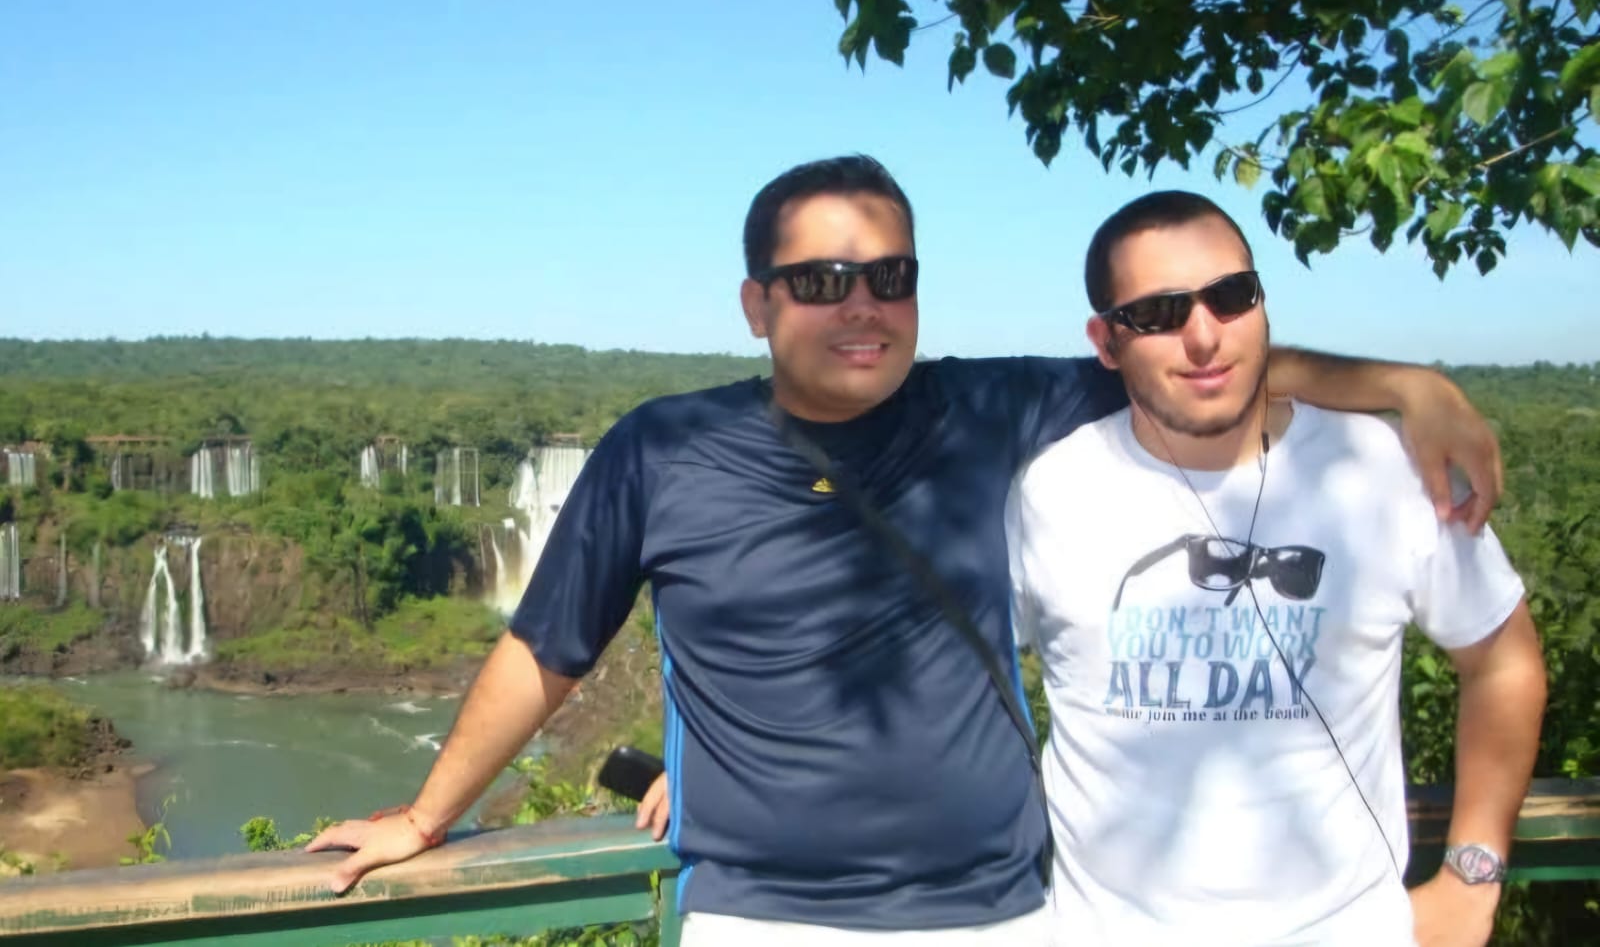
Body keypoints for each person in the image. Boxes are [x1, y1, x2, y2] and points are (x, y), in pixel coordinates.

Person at [309, 157, 1503, 946]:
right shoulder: (662, 449)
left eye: (889, 276)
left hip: (1002, 914)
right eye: (821, 280)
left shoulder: (991, 410)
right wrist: (427, 813)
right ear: (756, 304)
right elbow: (547, 647)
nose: (862, 304)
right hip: (764, 916)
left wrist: (1406, 385)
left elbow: (1188, 355)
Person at [1006, 191, 1546, 947]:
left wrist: (1472, 875)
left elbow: (1502, 661)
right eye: (1159, 313)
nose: (1204, 335)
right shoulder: (1051, 491)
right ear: (1106, 341)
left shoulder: (1382, 470)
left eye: (1231, 296)